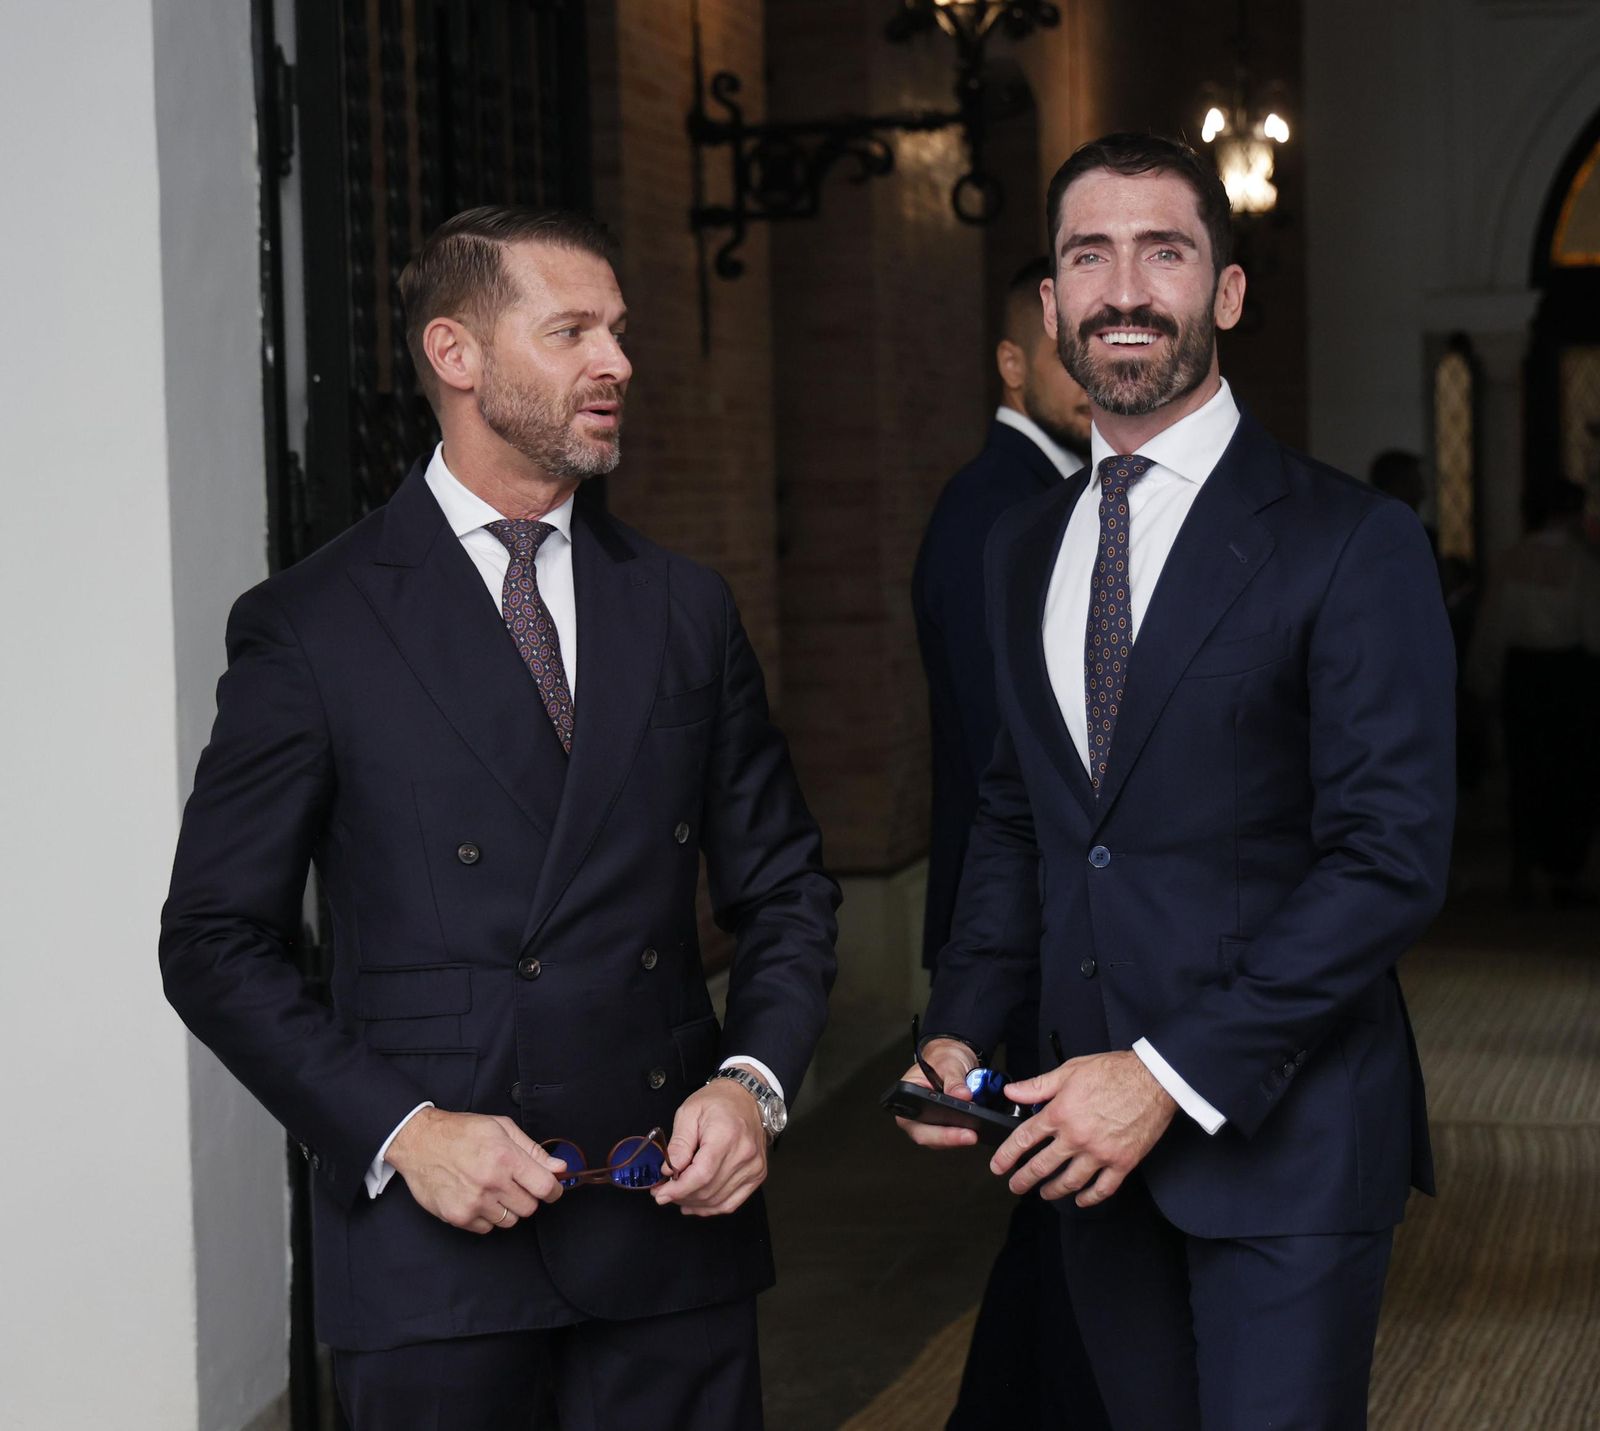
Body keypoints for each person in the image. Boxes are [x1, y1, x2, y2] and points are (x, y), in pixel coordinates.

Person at [160, 207, 839, 1431]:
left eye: (619, 332)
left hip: (666, 1232)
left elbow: (786, 886)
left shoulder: (682, 609)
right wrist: (402, 1133)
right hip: (438, 1255)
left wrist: (753, 1085)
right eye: (572, 330)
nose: (616, 362)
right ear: (456, 355)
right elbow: (212, 938)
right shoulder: (313, 625)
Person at [897, 133, 1456, 1429]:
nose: (1126, 287)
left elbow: (1389, 859)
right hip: (1087, 1160)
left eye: (1167, 251)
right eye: (1090, 255)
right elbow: (1016, 810)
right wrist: (962, 1017)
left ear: (1228, 291)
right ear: (1053, 308)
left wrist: (1163, 1073)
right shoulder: (1020, 545)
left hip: (1286, 1144)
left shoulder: (1351, 539)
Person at [912, 256, 1108, 1431]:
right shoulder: (998, 511)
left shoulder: (1062, 496)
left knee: (1062, 1242)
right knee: (1066, 1237)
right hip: (1037, 935)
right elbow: (1022, 775)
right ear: (1013, 361)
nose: (1092, 369)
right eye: (1064, 343)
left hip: (1047, 937)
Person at [1467, 478, 1600, 905]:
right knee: (1571, 771)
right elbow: (1593, 630)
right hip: (1569, 672)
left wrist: (1480, 678)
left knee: (1526, 767)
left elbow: (1492, 626)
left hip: (1524, 673)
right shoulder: (1582, 562)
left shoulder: (1513, 558)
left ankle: (1524, 865)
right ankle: (1565, 868)